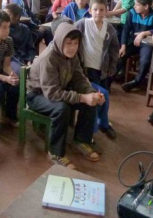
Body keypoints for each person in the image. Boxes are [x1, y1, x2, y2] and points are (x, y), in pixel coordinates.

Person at [27, 22, 104, 169]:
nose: (72, 47)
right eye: (68, 43)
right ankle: (55, 153)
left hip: (57, 90)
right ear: (60, 41)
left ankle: (81, 141)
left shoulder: (72, 56)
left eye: (76, 43)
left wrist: (91, 93)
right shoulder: (49, 58)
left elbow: (79, 78)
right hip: (37, 96)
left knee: (90, 101)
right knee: (62, 108)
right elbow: (52, 93)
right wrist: (82, 97)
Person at [75, 0, 119, 140]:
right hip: (86, 70)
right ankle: (95, 127)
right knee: (98, 96)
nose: (98, 13)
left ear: (106, 11)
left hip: (103, 70)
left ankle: (102, 122)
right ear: (90, 10)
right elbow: (71, 39)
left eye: (102, 10)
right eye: (95, 9)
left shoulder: (109, 29)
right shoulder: (82, 24)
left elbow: (114, 49)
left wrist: (112, 66)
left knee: (103, 98)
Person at [120, 0, 153, 92]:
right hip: (133, 42)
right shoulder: (132, 13)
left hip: (147, 44)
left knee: (146, 61)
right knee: (120, 54)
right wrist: (123, 45)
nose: (135, 6)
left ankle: (137, 81)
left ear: (146, 6)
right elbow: (126, 29)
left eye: (137, 5)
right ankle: (112, 78)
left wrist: (144, 33)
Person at [3, 4, 36, 75]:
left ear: (17, 17)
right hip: (12, 59)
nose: (4, 18)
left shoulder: (25, 28)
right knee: (19, 72)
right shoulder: (4, 31)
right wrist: (23, 62)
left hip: (26, 58)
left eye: (7, 15)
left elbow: (31, 48)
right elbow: (10, 54)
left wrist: (29, 59)